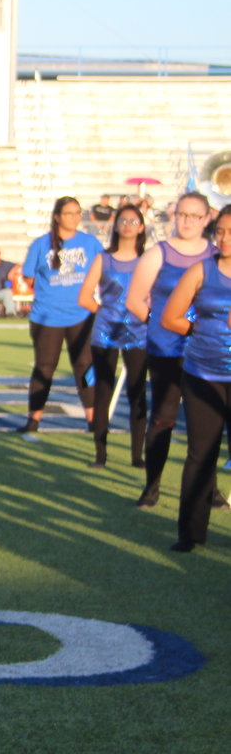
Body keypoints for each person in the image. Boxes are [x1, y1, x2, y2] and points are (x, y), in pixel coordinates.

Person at [125, 191, 218, 508]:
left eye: (195, 216)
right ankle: (152, 486)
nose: (188, 221)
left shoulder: (219, 255)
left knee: (207, 423)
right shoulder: (158, 254)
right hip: (167, 350)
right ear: (174, 216)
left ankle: (210, 488)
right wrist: (162, 323)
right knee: (163, 417)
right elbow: (135, 300)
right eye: (182, 214)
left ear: (207, 219)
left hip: (210, 353)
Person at [159, 205, 231, 551]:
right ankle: (190, 534)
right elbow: (170, 317)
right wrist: (201, 327)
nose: (225, 238)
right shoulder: (201, 271)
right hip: (203, 374)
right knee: (201, 454)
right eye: (221, 231)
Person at [17, 197, 104, 433]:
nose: (75, 217)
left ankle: (93, 418)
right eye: (69, 213)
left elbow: (104, 270)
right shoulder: (40, 244)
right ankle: (33, 419)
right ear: (57, 217)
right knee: (44, 367)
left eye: (78, 212)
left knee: (86, 367)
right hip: (47, 316)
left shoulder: (89, 242)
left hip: (82, 315)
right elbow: (29, 277)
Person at [77, 204, 148, 468]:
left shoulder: (148, 259)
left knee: (137, 393)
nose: (128, 225)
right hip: (106, 334)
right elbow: (84, 297)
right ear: (116, 225)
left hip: (139, 334)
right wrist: (106, 313)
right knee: (103, 394)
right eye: (123, 220)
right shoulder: (103, 259)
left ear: (142, 227)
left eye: (134, 220)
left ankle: (137, 457)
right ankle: (101, 455)